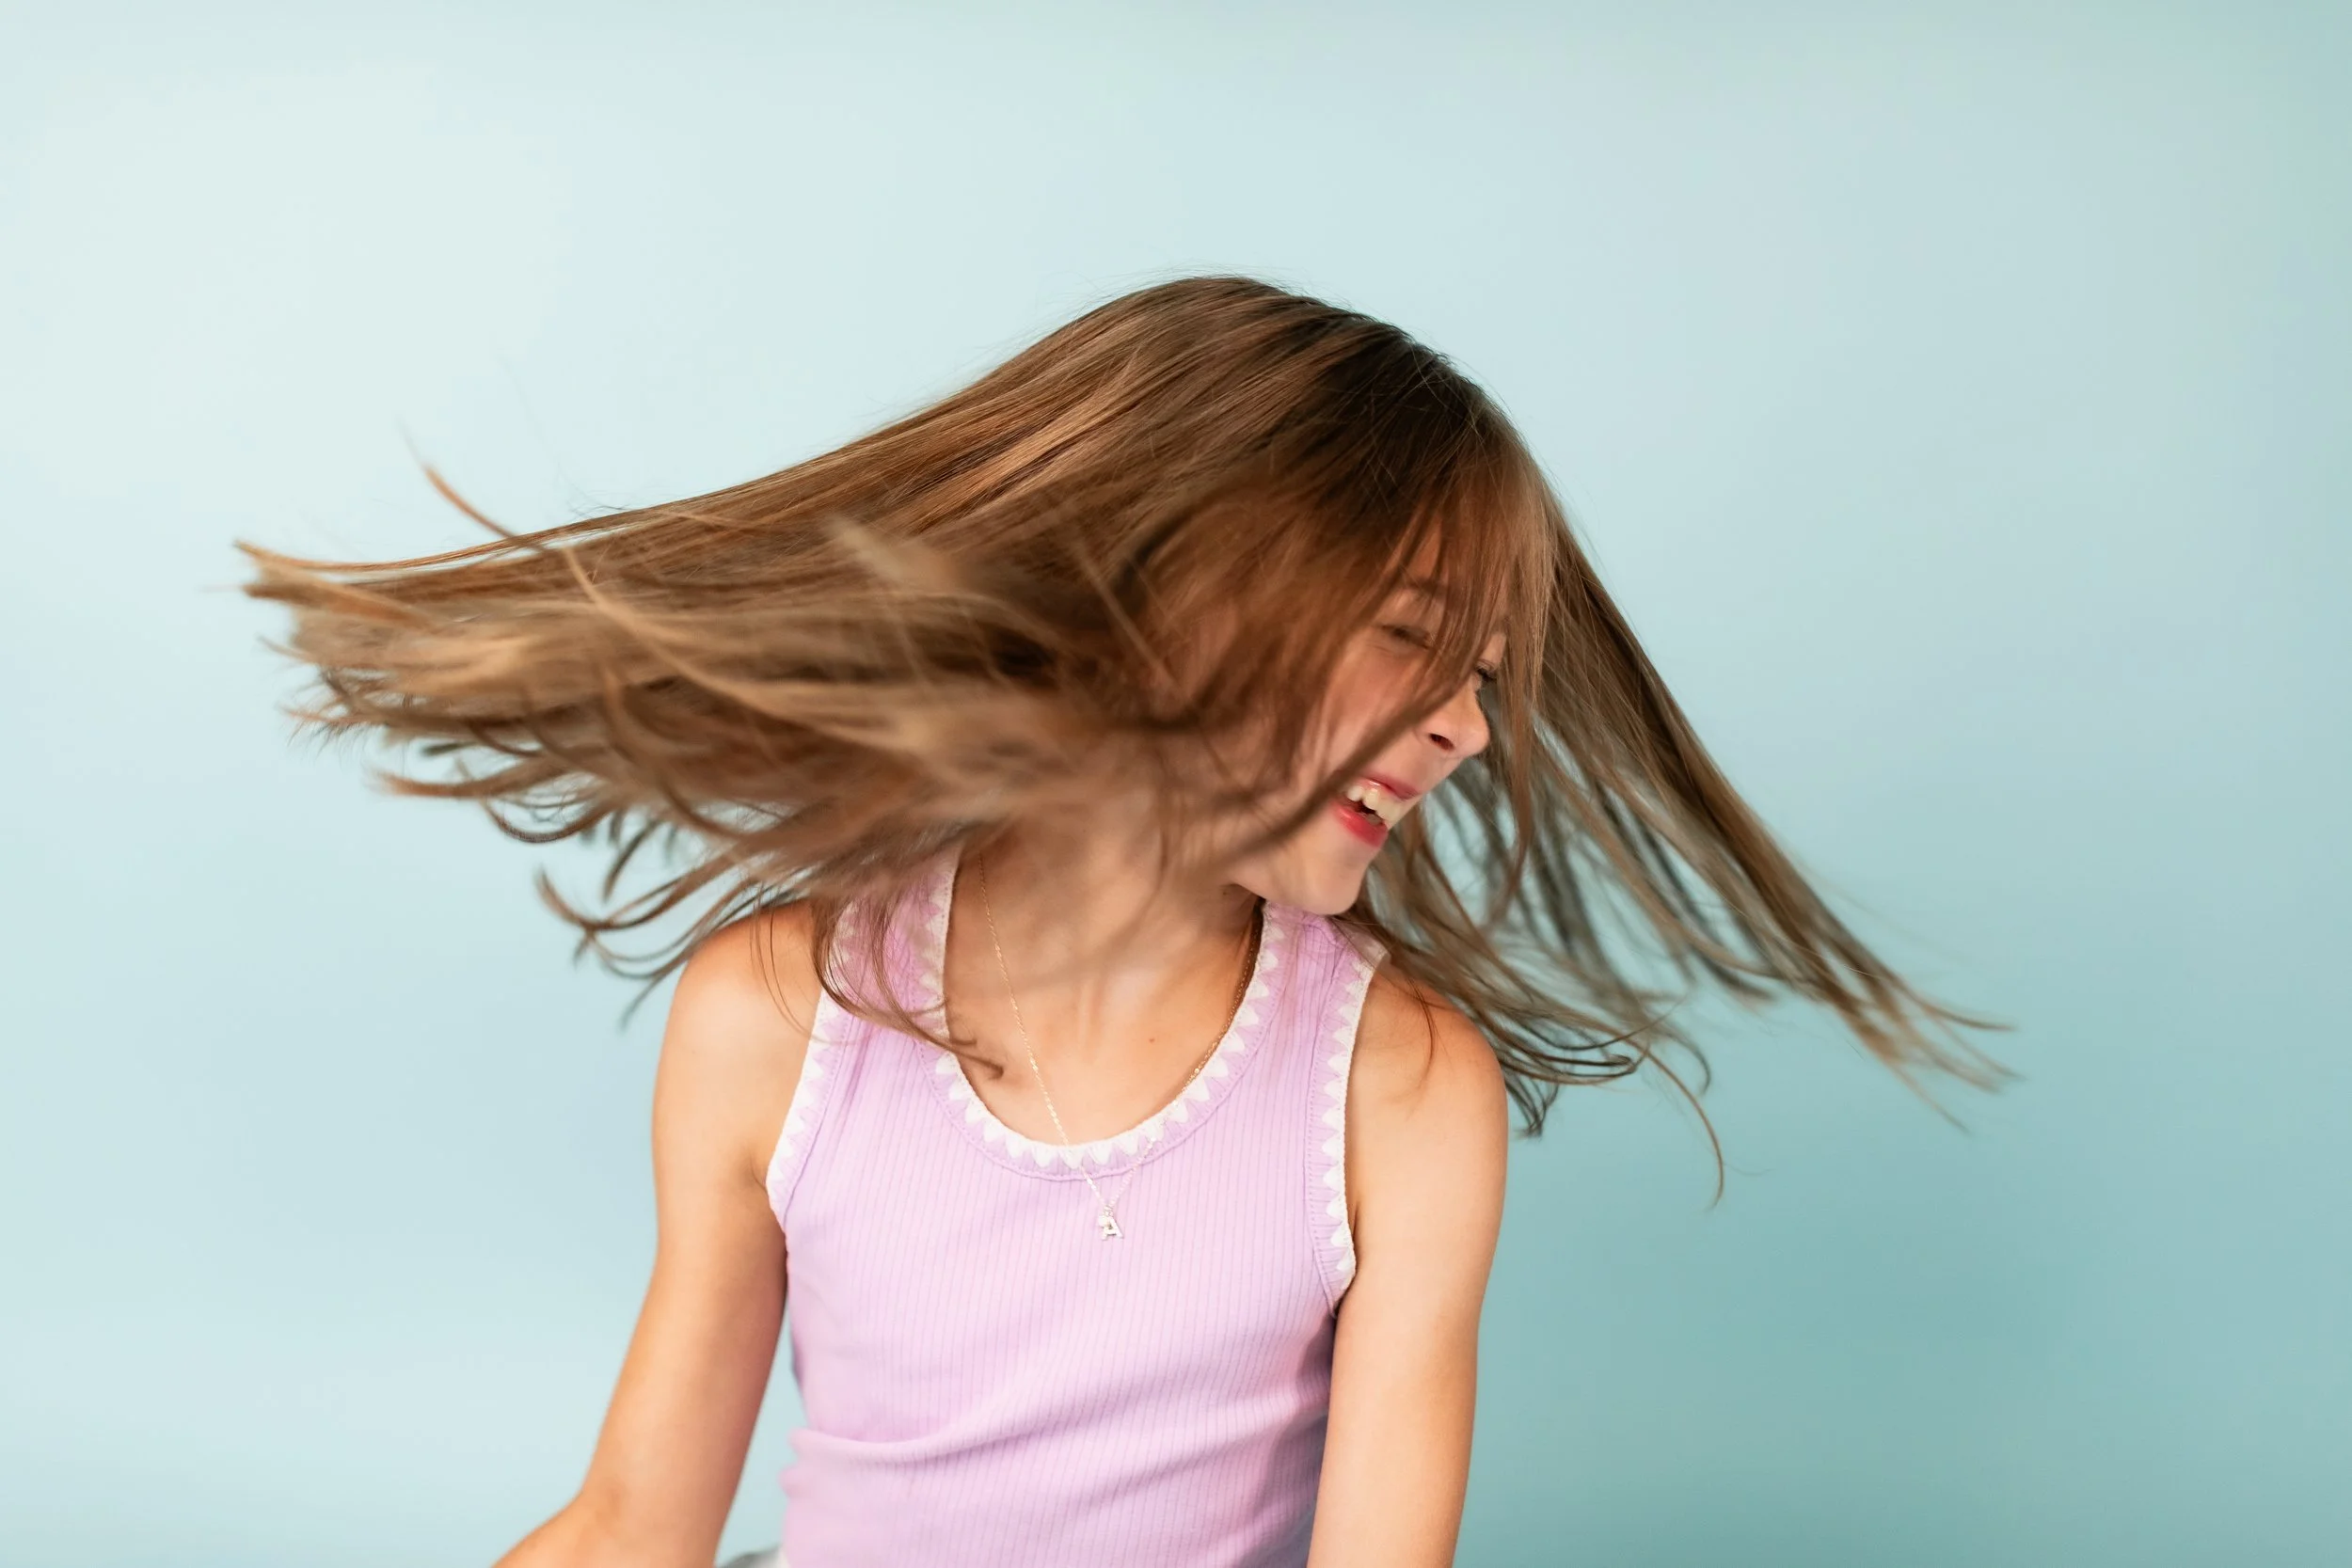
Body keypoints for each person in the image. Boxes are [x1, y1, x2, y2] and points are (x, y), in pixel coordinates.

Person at [240, 276, 2001, 1568]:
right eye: (1412, 636)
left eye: (1483, 675)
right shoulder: (776, 1012)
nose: (1470, 726)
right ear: (1174, 597)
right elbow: (634, 1523)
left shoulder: (1400, 1090)